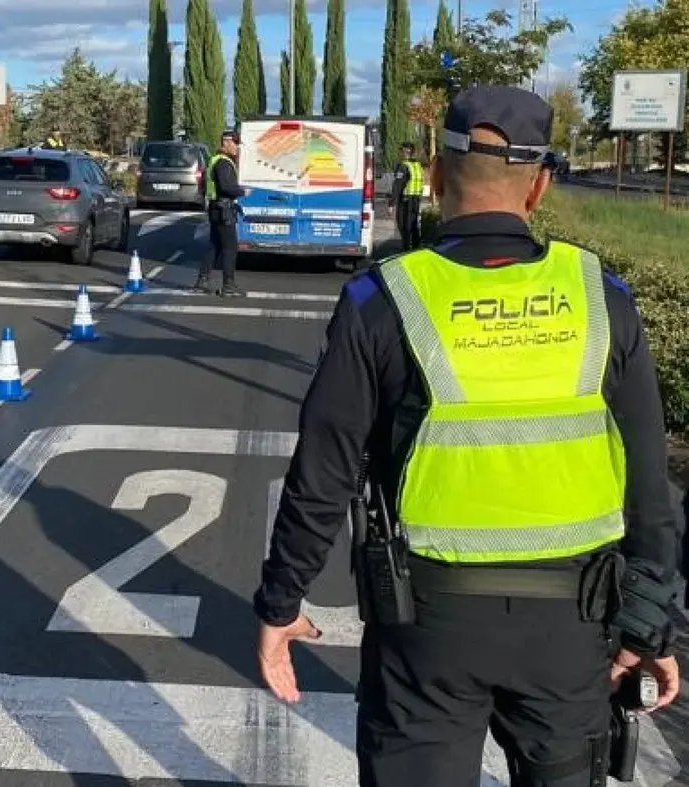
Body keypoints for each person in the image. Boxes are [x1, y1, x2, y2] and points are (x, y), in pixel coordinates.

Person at [252, 84, 681, 786]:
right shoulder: (602, 295)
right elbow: (648, 481)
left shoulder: (382, 298)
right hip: (572, 630)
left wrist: (281, 598)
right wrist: (651, 622)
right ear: (540, 184)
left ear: (436, 172)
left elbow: (325, 469)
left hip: (427, 624)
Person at [196, 128, 245, 297]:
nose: (237, 147)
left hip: (215, 208)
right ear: (226, 143)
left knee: (214, 245)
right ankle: (228, 285)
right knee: (230, 248)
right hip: (224, 209)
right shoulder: (224, 162)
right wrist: (243, 191)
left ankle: (202, 280)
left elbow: (204, 185)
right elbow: (226, 186)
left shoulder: (214, 159)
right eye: (235, 143)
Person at [389, 141, 425, 251]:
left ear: (405, 152)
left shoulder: (403, 166)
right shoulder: (418, 165)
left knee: (403, 225)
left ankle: (406, 249)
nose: (400, 153)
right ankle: (415, 247)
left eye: (401, 150)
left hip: (405, 201)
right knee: (413, 225)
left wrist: (392, 203)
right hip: (416, 200)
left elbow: (397, 185)